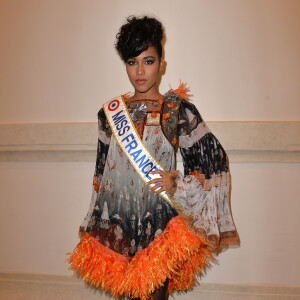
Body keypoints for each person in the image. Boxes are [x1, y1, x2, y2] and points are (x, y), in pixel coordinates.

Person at [66, 15, 240, 300]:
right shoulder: (109, 114)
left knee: (155, 294)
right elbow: (100, 171)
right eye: (132, 62)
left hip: (158, 219)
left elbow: (212, 160)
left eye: (148, 60)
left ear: (161, 63)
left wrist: (179, 185)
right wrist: (93, 217)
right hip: (118, 218)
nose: (140, 71)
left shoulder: (175, 109)